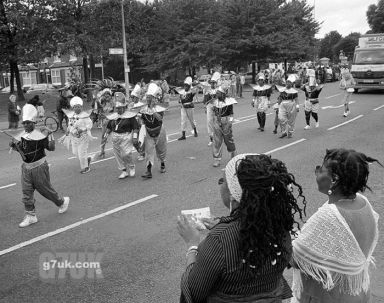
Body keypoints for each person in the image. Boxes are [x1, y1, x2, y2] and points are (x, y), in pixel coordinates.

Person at [177, 153, 307, 303]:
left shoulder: (220, 240)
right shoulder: (280, 228)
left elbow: (193, 292)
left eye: (222, 181)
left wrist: (192, 244)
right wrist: (223, 226)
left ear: (233, 194)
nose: (221, 185)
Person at [291, 148, 381, 303]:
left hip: (328, 297)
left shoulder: (330, 215)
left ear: (334, 179)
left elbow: (295, 259)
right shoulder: (362, 202)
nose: (316, 171)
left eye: (321, 169)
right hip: (357, 293)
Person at [9, 104, 70, 228]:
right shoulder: (22, 135)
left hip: (39, 167)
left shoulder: (40, 135)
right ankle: (31, 216)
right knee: (26, 192)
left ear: (33, 123)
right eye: (24, 123)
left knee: (45, 190)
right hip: (26, 168)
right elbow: (22, 151)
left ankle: (62, 202)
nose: (25, 125)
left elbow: (51, 148)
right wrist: (14, 145)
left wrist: (50, 134)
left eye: (28, 123)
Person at [104, 92, 139, 179]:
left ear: (124, 107)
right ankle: (124, 171)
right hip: (115, 137)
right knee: (117, 155)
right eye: (117, 108)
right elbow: (109, 127)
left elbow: (135, 128)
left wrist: (135, 138)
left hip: (126, 136)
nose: (118, 110)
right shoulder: (114, 116)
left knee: (126, 154)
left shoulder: (130, 116)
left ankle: (131, 167)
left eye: (120, 108)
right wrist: (105, 136)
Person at [138, 83, 167, 179]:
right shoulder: (143, 108)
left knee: (161, 149)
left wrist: (153, 109)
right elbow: (142, 118)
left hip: (159, 131)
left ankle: (162, 163)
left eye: (149, 97)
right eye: (147, 97)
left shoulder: (159, 108)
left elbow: (159, 118)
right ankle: (148, 171)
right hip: (148, 132)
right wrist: (141, 123)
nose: (147, 99)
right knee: (149, 152)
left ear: (154, 98)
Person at [61, 96, 95, 174]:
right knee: (75, 152)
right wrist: (68, 130)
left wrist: (82, 129)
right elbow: (70, 124)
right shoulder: (71, 116)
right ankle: (87, 159)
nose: (77, 108)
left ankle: (85, 167)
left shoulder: (85, 116)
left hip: (83, 137)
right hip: (74, 137)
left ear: (81, 107)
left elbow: (90, 125)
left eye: (79, 107)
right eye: (75, 107)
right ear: (73, 108)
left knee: (81, 153)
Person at [211, 85, 237, 167]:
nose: (216, 94)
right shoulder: (215, 102)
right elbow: (214, 112)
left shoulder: (229, 102)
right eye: (216, 93)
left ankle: (233, 156)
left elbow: (231, 114)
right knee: (217, 141)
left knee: (228, 140)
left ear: (222, 94)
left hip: (226, 121)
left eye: (218, 93)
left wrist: (229, 123)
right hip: (217, 122)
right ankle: (216, 159)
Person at [203, 72, 220, 146]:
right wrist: (205, 107)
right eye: (212, 83)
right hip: (209, 106)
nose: (213, 84)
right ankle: (211, 139)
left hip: (217, 106)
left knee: (216, 123)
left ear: (216, 83)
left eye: (214, 83)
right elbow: (205, 101)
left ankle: (218, 138)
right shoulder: (208, 90)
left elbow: (222, 99)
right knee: (209, 122)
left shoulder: (219, 90)